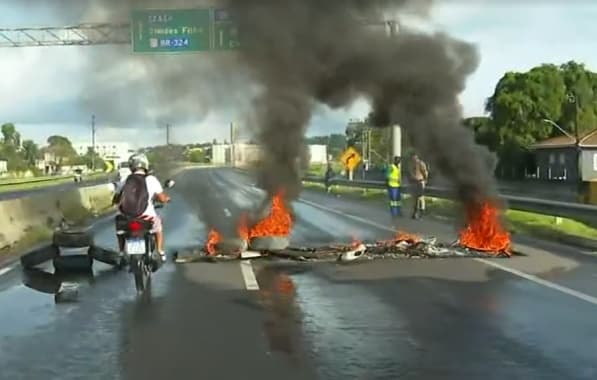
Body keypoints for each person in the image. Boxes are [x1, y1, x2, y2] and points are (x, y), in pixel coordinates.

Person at [113, 153, 171, 262]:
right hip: (146, 216)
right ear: (145, 165)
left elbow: (116, 198)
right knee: (158, 227)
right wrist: (167, 199)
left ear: (131, 166)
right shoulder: (151, 179)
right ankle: (160, 251)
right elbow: (162, 198)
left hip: (126, 217)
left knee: (120, 230)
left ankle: (121, 252)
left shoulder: (125, 179)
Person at [408, 153, 429, 219]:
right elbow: (410, 173)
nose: (414, 159)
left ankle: (421, 213)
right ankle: (415, 213)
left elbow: (425, 172)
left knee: (420, 198)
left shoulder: (421, 163)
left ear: (417, 157)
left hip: (420, 182)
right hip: (414, 183)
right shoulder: (411, 164)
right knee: (414, 198)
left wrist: (425, 180)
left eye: (415, 158)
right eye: (413, 158)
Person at [386, 156, 402, 223]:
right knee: (393, 200)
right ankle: (394, 213)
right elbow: (387, 175)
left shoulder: (397, 167)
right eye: (397, 160)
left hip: (397, 186)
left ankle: (398, 212)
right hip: (392, 185)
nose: (398, 162)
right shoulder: (391, 167)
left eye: (399, 161)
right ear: (395, 161)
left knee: (398, 201)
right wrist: (395, 179)